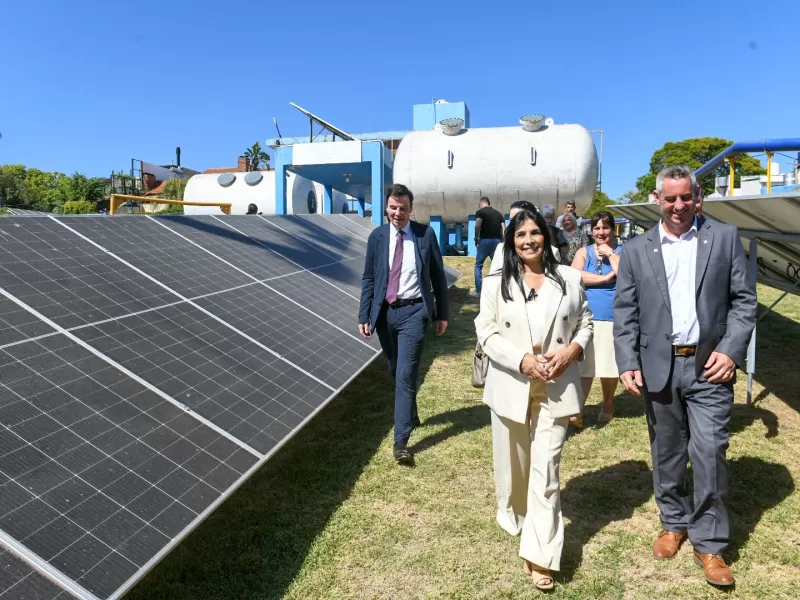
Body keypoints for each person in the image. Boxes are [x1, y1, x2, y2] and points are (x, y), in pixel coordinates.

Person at [614, 164, 757, 587]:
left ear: (698, 197)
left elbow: (743, 303)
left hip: (709, 366)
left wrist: (731, 351)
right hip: (659, 366)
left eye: (686, 197)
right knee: (667, 450)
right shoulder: (638, 249)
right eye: (670, 198)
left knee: (710, 450)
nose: (679, 205)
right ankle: (673, 522)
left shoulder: (725, 238)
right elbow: (626, 311)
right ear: (657, 200)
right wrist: (627, 361)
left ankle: (710, 543)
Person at [475, 206, 593, 591]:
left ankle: (540, 556)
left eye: (535, 233)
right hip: (513, 384)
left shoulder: (570, 279)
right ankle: (519, 518)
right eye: (520, 234)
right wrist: (522, 360)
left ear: (546, 235)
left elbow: (586, 323)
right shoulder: (496, 282)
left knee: (547, 473)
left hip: (556, 389)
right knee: (515, 470)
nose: (528, 240)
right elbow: (487, 331)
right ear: (511, 240)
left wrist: (572, 350)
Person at [359, 184, 450, 465]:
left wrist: (442, 314)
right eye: (393, 207)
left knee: (406, 374)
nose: (398, 213)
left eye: (403, 208)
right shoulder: (377, 237)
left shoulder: (425, 235)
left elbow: (437, 277)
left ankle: (401, 442)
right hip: (386, 314)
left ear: (411, 209)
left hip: (414, 313)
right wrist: (365, 315)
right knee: (394, 369)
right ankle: (410, 410)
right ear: (386, 208)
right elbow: (370, 278)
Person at [569, 211, 622, 429]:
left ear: (612, 229)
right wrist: (605, 278)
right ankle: (578, 409)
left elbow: (625, 273)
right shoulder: (584, 251)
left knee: (609, 366)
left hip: (613, 315)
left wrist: (610, 254)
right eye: (597, 228)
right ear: (591, 230)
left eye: (605, 227)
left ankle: (608, 405)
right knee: (584, 366)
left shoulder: (622, 251)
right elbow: (574, 275)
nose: (601, 232)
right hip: (587, 316)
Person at [472, 196, 506, 297]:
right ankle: (500, 290)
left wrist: (476, 238)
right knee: (498, 266)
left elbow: (478, 225)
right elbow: (504, 228)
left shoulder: (480, 212)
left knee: (478, 266)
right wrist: (503, 242)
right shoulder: (498, 213)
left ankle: (479, 291)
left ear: (482, 203)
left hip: (484, 241)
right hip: (496, 241)